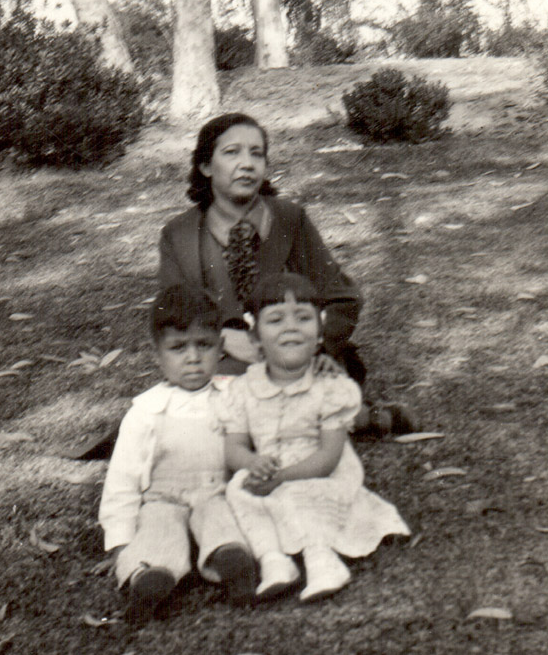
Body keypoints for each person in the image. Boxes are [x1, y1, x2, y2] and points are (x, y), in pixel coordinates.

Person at [158, 112, 413, 436]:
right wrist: (221, 338)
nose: (247, 163)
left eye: (257, 153)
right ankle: (352, 419)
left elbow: (343, 299)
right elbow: (173, 314)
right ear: (206, 166)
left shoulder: (290, 220)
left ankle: (334, 417)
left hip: (300, 359)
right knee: (209, 407)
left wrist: (308, 344)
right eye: (232, 152)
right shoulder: (179, 235)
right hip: (225, 364)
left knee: (235, 415)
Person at [216, 273, 411, 603]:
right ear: (256, 339)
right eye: (275, 320)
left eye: (303, 318)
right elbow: (233, 447)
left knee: (300, 493)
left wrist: (280, 477)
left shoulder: (330, 387)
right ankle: (273, 561)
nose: (291, 327)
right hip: (269, 468)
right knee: (238, 491)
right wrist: (253, 463)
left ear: (320, 333)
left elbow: (329, 457)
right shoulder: (242, 389)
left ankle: (321, 559)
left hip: (317, 469)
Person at [98, 285, 256, 622]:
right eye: (178, 348)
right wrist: (119, 539)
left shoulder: (235, 394)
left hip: (216, 491)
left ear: (221, 347)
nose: (193, 358)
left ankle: (233, 565)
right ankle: (149, 578)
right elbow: (122, 479)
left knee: (222, 519)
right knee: (157, 532)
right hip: (162, 498)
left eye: (204, 345)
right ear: (158, 355)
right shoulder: (146, 411)